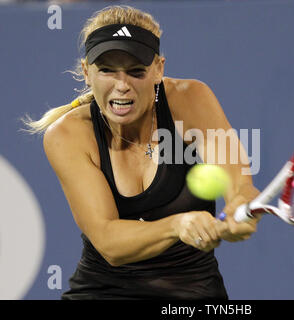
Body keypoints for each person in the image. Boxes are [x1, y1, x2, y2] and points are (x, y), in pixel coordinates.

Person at [23, 5, 260, 300]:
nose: (122, 85)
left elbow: (241, 185)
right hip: (101, 293)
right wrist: (178, 225)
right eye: (107, 70)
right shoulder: (67, 135)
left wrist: (241, 211)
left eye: (136, 71)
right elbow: (109, 243)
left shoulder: (190, 100)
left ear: (158, 69)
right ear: (86, 71)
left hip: (192, 294)